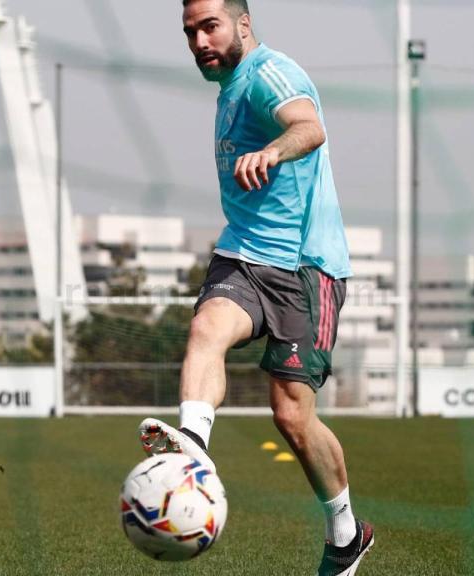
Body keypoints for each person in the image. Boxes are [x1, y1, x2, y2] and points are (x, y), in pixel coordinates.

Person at [138, 1, 374, 573]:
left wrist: (272, 150)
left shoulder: (272, 74)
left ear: (243, 23)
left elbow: (309, 126)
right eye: (190, 31)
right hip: (244, 253)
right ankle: (192, 450)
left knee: (292, 416)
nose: (199, 41)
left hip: (304, 266)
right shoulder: (227, 90)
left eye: (210, 26)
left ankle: (346, 532)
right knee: (206, 328)